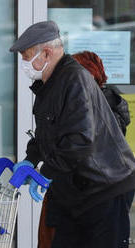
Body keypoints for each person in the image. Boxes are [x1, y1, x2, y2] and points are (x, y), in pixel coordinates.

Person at [9, 21, 135, 248]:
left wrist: (44, 172)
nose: (24, 64)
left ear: (46, 53)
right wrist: (30, 159)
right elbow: (46, 133)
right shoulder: (48, 83)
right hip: (76, 189)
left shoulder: (74, 80)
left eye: (27, 56)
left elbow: (79, 141)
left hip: (103, 188)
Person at [37, 50, 133, 248]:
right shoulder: (71, 100)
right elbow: (49, 133)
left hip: (98, 195)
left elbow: (79, 147)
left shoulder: (100, 109)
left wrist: (46, 170)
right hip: (75, 194)